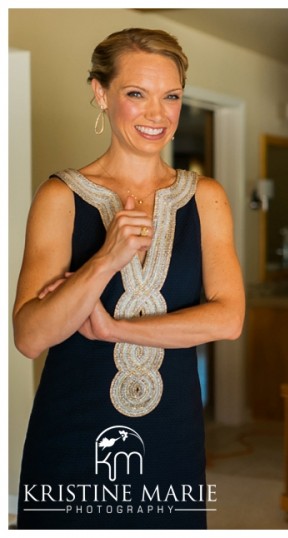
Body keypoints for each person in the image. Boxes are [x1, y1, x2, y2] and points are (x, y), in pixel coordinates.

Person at [13, 28, 245, 529]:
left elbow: (228, 319)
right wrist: (104, 261)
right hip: (72, 430)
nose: (157, 114)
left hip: (172, 433)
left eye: (172, 96)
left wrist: (115, 328)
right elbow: (31, 336)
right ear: (101, 93)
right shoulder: (60, 197)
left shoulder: (206, 198)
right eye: (136, 94)